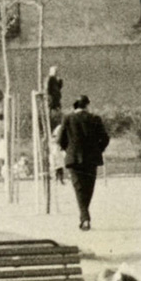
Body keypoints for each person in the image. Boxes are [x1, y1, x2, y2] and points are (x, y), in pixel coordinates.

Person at [58, 95, 110, 230]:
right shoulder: (95, 119)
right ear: (87, 105)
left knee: (79, 189)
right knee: (88, 188)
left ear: (75, 106)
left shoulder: (67, 118)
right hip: (91, 159)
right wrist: (98, 149)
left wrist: (68, 150)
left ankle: (85, 218)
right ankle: (85, 217)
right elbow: (105, 138)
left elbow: (60, 140)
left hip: (74, 159)